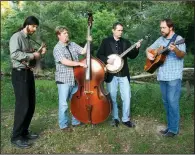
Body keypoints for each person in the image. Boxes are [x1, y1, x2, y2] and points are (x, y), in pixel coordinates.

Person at [9, 16, 47, 148]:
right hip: (19, 74)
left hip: (28, 73)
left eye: (36, 27)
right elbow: (14, 54)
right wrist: (33, 55)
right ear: (28, 25)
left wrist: (40, 53)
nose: (35, 29)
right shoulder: (17, 37)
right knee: (22, 106)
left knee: (31, 104)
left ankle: (24, 132)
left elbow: (31, 58)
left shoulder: (28, 39)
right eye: (34, 26)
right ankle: (16, 137)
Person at [146, 19, 186, 137]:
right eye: (161, 28)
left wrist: (176, 49)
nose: (161, 30)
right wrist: (149, 54)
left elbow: (182, 54)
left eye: (163, 28)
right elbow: (148, 49)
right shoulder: (160, 40)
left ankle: (174, 130)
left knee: (173, 102)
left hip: (174, 75)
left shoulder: (179, 39)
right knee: (166, 102)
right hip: (162, 75)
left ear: (171, 28)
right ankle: (169, 126)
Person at [96, 22, 141, 128]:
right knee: (112, 97)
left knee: (127, 97)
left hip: (124, 74)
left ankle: (126, 119)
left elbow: (132, 56)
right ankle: (115, 118)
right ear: (113, 30)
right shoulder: (106, 41)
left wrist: (137, 48)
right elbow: (99, 54)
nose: (120, 32)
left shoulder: (126, 42)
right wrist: (107, 60)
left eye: (122, 30)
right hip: (111, 74)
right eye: (118, 30)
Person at [53, 26, 91, 131]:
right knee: (64, 104)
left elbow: (83, 51)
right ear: (58, 35)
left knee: (76, 102)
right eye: (64, 33)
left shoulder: (72, 44)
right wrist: (79, 64)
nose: (66, 35)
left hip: (75, 79)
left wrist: (88, 41)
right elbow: (65, 61)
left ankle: (76, 122)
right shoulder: (57, 48)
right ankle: (63, 125)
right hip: (64, 80)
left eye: (67, 33)